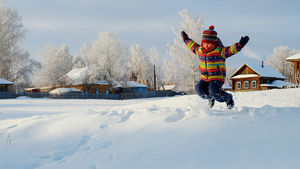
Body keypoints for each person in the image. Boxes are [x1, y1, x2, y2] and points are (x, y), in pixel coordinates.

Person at [181, 25, 249, 109]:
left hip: (217, 77)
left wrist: (240, 45)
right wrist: (186, 39)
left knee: (214, 92)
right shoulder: (200, 50)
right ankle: (210, 98)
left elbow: (231, 50)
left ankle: (228, 98)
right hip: (204, 78)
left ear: (214, 44)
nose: (206, 46)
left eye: (209, 44)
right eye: (204, 44)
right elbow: (192, 45)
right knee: (199, 90)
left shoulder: (220, 51)